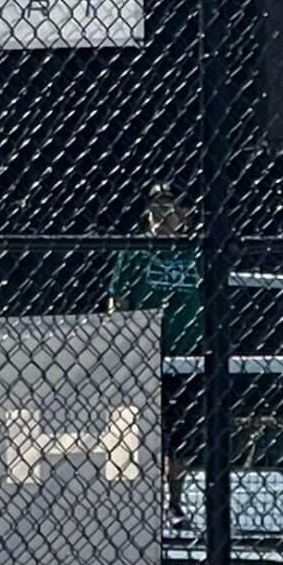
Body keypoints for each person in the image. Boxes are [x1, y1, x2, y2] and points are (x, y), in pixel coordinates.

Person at [107, 185, 205, 523]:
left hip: (187, 357)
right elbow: (118, 301)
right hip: (143, 356)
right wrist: (122, 343)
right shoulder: (135, 249)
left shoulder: (195, 251)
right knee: (140, 434)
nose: (163, 216)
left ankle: (173, 503)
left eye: (171, 208)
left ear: (185, 214)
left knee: (180, 435)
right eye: (157, 208)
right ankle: (137, 505)